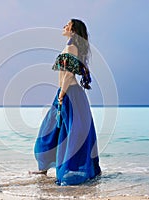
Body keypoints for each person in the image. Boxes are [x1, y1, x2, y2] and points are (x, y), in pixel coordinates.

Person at [31, 19, 101, 186]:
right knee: (51, 131)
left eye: (67, 24)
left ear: (74, 29)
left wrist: (62, 95)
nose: (64, 26)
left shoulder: (71, 48)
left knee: (66, 134)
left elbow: (69, 75)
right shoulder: (70, 47)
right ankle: (44, 169)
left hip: (69, 94)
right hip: (65, 93)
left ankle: (68, 172)